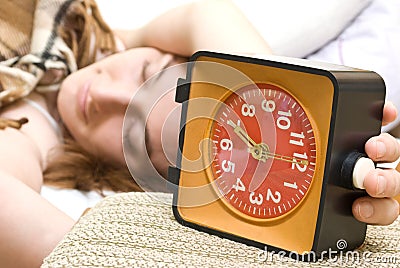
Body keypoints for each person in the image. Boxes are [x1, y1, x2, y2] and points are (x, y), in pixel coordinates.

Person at [0, 0, 398, 267]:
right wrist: (288, 106)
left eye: (132, 128)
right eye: (145, 74)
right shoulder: (100, 38)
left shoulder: (33, 128)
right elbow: (204, 15)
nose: (102, 94)